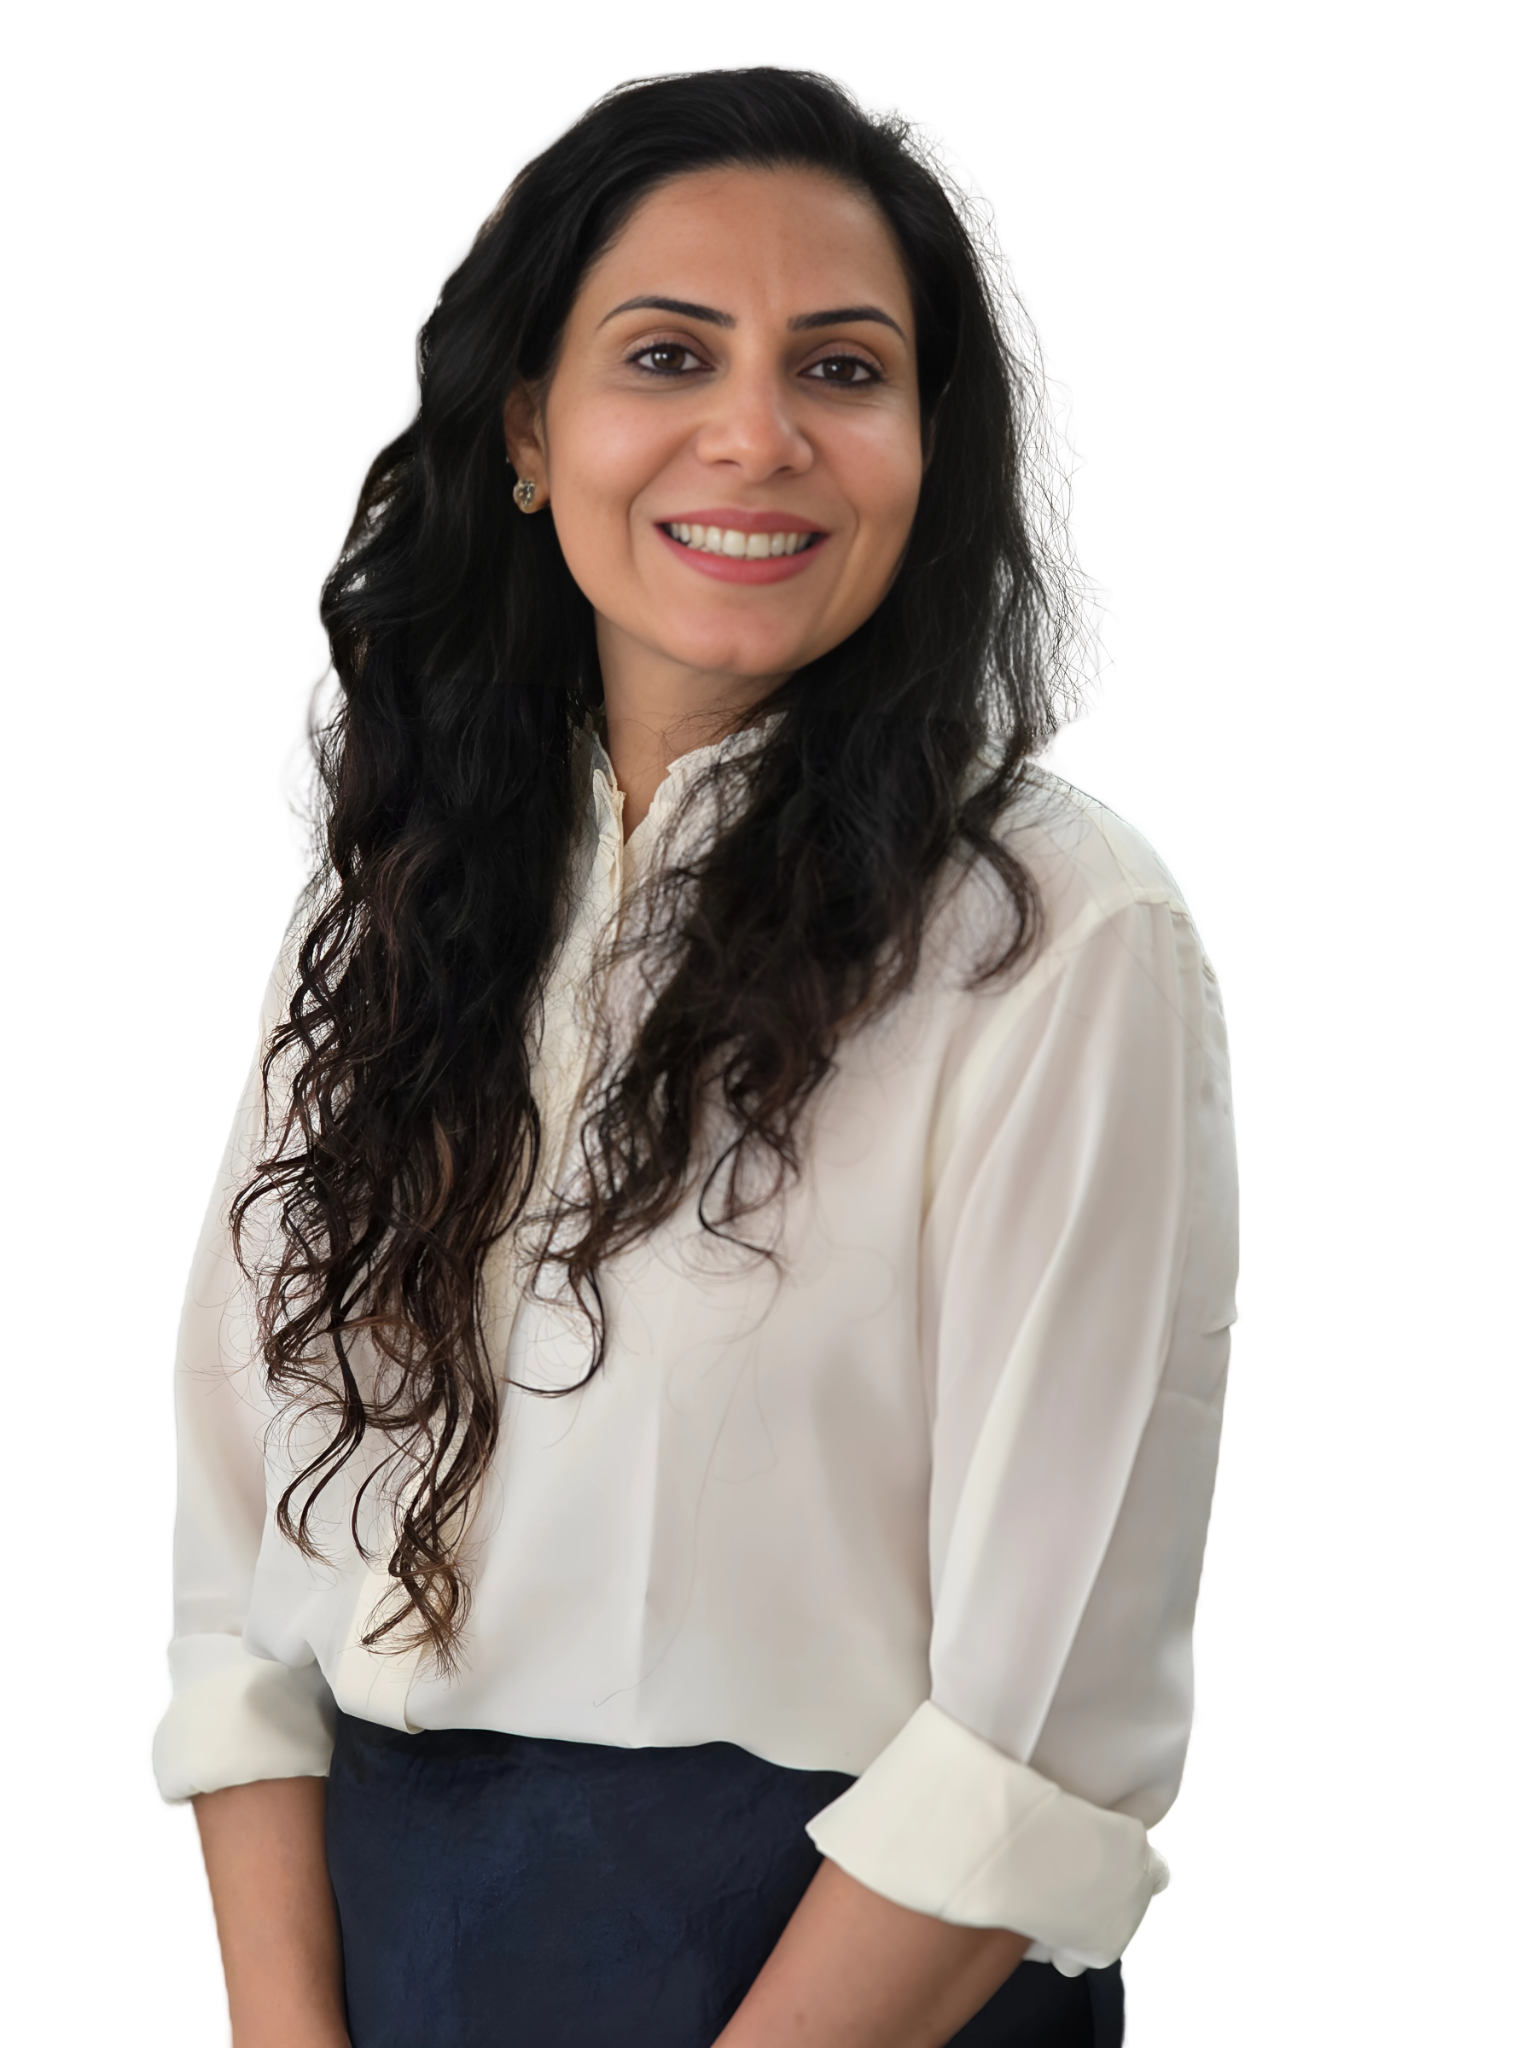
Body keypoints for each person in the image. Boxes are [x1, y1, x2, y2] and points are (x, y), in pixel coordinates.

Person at [145, 62, 1239, 2048]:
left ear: (931, 449)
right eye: (669, 352)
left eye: (843, 369)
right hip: (372, 1966)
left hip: (831, 1995)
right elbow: (234, 1573)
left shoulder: (1061, 927)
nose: (758, 436)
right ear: (529, 432)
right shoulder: (378, 903)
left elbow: (1051, 1707)